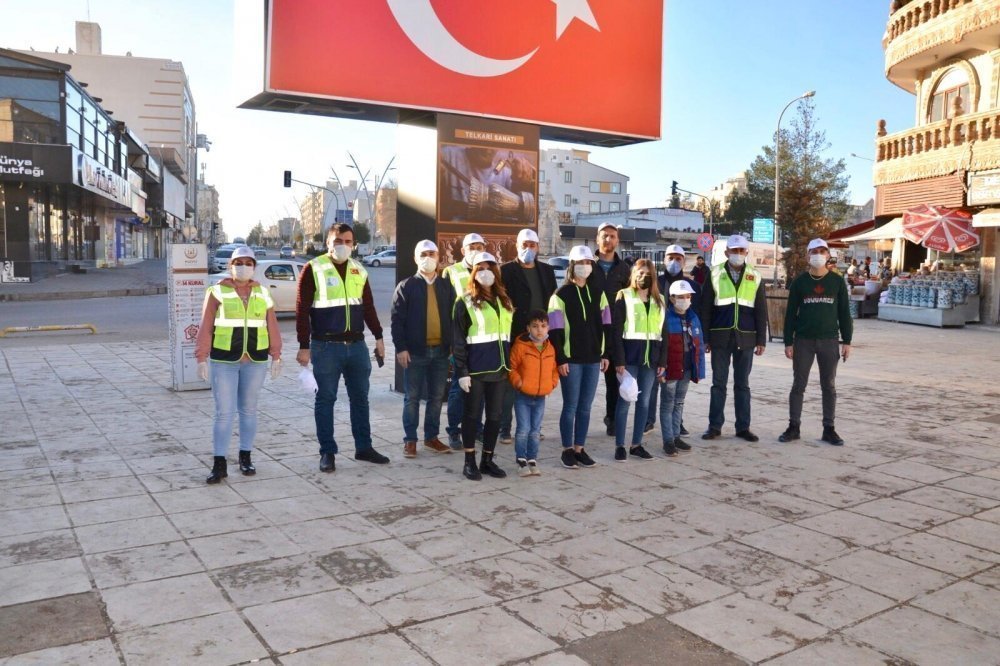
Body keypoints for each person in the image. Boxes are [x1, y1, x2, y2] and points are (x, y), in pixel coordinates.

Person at [296, 223, 389, 473]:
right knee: (325, 399)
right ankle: (328, 452)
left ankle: (364, 447)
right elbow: (302, 310)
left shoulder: (359, 269)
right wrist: (304, 346)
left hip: (357, 346)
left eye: (348, 242)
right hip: (325, 347)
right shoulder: (313, 268)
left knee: (361, 399)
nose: (343, 246)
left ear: (354, 244)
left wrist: (379, 337)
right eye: (338, 241)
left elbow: (368, 307)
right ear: (328, 243)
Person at [196, 246, 282, 483]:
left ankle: (246, 457)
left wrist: (276, 355)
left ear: (254, 267)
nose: (243, 267)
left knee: (249, 410)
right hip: (224, 360)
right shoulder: (217, 291)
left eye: (248, 263)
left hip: (255, 360)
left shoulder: (263, 292)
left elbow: (272, 325)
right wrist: (201, 356)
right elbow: (206, 325)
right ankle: (219, 463)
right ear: (230, 265)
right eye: (238, 262)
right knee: (224, 413)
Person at [780, 239, 853, 446]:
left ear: (829, 255)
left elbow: (844, 314)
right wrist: (788, 341)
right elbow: (791, 315)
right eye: (814, 251)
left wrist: (846, 341)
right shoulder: (800, 282)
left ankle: (829, 429)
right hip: (803, 340)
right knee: (798, 385)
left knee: (828, 385)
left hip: (829, 340)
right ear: (807, 255)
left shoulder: (837, 282)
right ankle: (794, 427)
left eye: (822, 251)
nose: (818, 255)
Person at [390, 240, 456, 458]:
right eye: (424, 254)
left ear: (439, 257)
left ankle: (431, 438)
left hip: (441, 351)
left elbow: (454, 318)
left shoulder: (446, 286)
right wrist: (401, 348)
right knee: (412, 397)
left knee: (437, 397)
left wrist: (454, 346)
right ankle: (410, 440)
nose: (429, 257)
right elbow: (397, 321)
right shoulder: (406, 286)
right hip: (415, 352)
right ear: (416, 258)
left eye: (433, 254)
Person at [550, 245, 613, 468]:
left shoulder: (599, 294)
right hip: (571, 360)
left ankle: (580, 448)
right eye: (580, 263)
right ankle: (567, 449)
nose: (585, 267)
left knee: (585, 407)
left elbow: (606, 325)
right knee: (571, 406)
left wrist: (605, 354)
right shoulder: (560, 295)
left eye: (588, 263)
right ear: (572, 266)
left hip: (593, 358)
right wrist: (561, 358)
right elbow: (554, 330)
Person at [453, 252, 514, 480]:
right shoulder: (465, 301)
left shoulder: (504, 300)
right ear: (474, 273)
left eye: (490, 268)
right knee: (470, 416)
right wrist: (461, 372)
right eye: (480, 268)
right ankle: (469, 461)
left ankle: (487, 459)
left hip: (499, 369)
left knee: (495, 416)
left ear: (496, 272)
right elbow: (458, 340)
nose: (485, 273)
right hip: (476, 370)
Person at [700, 234, 767, 442]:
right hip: (720, 336)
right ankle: (715, 426)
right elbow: (705, 309)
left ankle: (743, 427)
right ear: (727, 252)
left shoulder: (755, 276)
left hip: (746, 337)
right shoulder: (714, 274)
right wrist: (705, 338)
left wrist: (761, 340)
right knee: (718, 383)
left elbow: (761, 310)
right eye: (734, 251)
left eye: (741, 251)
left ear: (746, 253)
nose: (737, 254)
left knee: (742, 384)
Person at [499, 228, 557, 444]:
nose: (528, 248)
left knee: (536, 381)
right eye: (524, 244)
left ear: (538, 247)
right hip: (516, 334)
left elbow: (552, 302)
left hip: (540, 335)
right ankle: (505, 428)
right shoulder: (506, 270)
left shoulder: (547, 271)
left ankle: (534, 427)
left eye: (532, 244)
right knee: (510, 384)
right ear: (517, 245)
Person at [611, 259, 663, 461]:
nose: (643, 276)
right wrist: (619, 360)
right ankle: (619, 446)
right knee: (625, 399)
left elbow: (663, 333)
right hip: (629, 358)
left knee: (644, 402)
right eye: (639, 272)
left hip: (650, 359)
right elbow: (616, 330)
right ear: (633, 274)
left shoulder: (660, 300)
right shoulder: (624, 295)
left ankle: (636, 444)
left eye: (647, 273)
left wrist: (663, 361)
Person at [647, 245, 702, 434]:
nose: (674, 262)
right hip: (656, 338)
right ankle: (649, 419)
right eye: (671, 257)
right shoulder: (655, 282)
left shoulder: (692, 286)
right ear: (664, 259)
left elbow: (696, 313)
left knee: (678, 392)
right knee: (654, 384)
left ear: (684, 261)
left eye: (679, 258)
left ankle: (677, 423)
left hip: (680, 341)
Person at [586, 223, 631, 436]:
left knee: (614, 380)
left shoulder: (624, 269)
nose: (608, 240)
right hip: (589, 330)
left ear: (617, 241)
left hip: (614, 331)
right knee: (585, 380)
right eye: (604, 236)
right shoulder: (587, 265)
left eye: (612, 236)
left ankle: (612, 419)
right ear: (597, 239)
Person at [442, 233, 486, 449]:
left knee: (480, 387)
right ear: (463, 251)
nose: (476, 250)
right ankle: (454, 430)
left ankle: (477, 428)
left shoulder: (487, 271)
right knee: (459, 389)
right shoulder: (451, 272)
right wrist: (451, 343)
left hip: (481, 340)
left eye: (480, 246)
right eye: (472, 247)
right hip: (460, 340)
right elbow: (445, 309)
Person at [658, 280, 706, 456]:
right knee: (667, 404)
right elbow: (660, 345)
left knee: (679, 402)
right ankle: (668, 440)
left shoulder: (693, 318)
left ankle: (676, 435)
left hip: (686, 368)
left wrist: (699, 369)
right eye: (680, 297)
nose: (685, 300)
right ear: (671, 298)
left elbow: (699, 345)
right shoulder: (664, 318)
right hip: (670, 368)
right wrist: (661, 367)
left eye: (687, 296)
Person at [508, 309, 559, 476]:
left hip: (541, 396)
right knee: (523, 428)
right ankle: (521, 459)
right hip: (523, 395)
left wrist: (551, 383)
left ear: (548, 328)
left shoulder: (550, 348)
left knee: (535, 429)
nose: (539, 330)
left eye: (543, 326)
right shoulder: (521, 346)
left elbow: (553, 369)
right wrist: (518, 382)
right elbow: (512, 367)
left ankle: (532, 458)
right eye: (535, 326)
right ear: (528, 328)